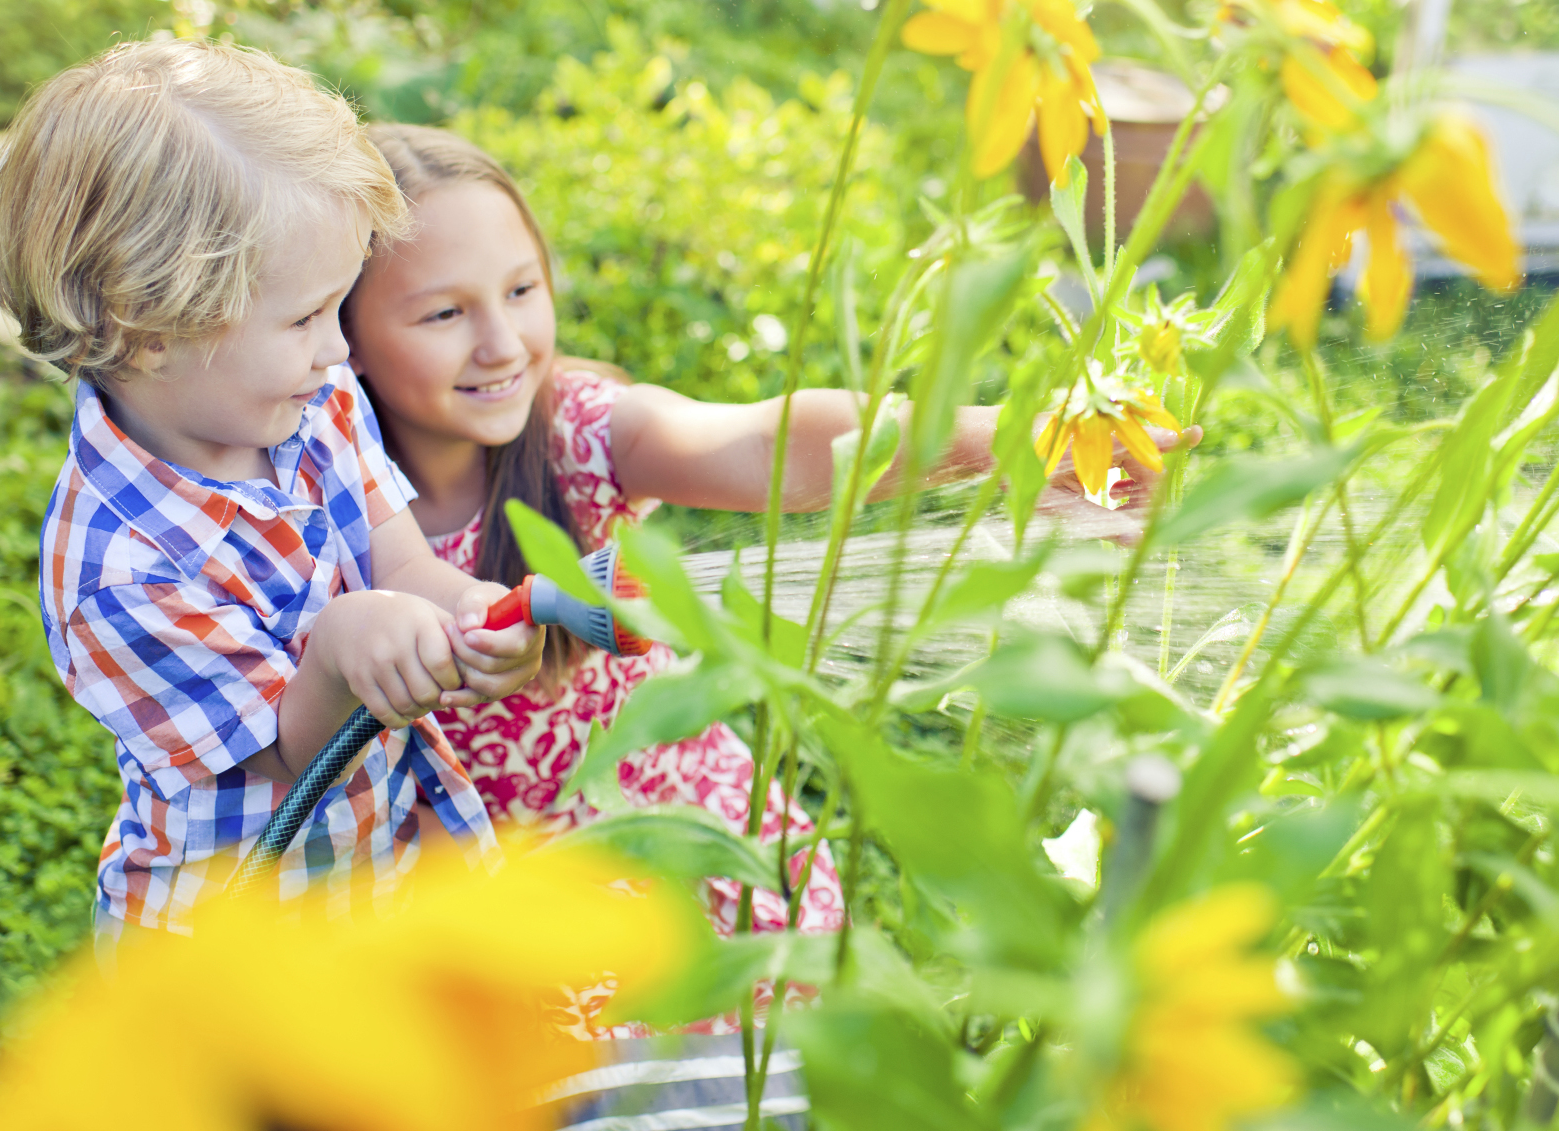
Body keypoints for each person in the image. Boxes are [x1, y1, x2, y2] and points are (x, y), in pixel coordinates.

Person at [339, 125, 1198, 1007]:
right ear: (345, 338)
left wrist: (1005, 442)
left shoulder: (576, 431)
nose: (503, 343)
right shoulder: (317, 503)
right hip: (482, 895)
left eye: (522, 289)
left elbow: (762, 442)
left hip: (672, 832)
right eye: (445, 313)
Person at [0, 44, 545, 951]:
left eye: (337, 306)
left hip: (379, 871)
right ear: (149, 330)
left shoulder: (312, 402)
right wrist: (338, 652)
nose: (339, 347)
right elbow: (285, 755)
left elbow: (397, 556)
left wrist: (470, 612)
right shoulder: (114, 564)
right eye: (304, 317)